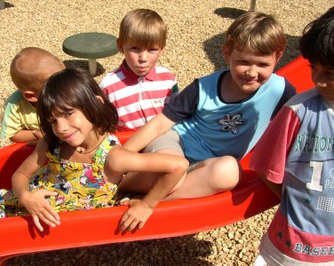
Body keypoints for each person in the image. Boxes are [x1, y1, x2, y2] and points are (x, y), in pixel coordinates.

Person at [0, 67, 188, 233]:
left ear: (95, 105)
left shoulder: (113, 156)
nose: (61, 128)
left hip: (72, 223)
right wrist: (25, 196)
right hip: (31, 205)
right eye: (53, 121)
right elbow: (21, 173)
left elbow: (178, 165)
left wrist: (147, 205)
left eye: (68, 113)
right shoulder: (52, 142)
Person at [118, 11, 297, 200]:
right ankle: (119, 186)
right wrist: (120, 158)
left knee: (229, 172)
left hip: (207, 165)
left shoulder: (279, 90)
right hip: (175, 143)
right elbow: (160, 124)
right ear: (227, 54)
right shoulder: (203, 87)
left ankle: (152, 202)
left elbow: (301, 127)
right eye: (243, 62)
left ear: (278, 57)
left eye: (262, 64)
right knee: (172, 167)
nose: (252, 72)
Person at [250, 7, 334, 265]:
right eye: (314, 68)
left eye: (330, 74)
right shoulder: (298, 111)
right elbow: (266, 169)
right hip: (293, 247)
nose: (318, 81)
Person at [99, 8, 179, 131]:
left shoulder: (168, 80)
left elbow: (176, 115)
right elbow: (103, 125)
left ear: (162, 48)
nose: (143, 58)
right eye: (135, 48)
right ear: (121, 46)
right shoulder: (109, 86)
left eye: (152, 49)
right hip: (126, 144)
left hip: (161, 141)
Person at [0, 47, 65, 145]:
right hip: (36, 144)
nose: (65, 87)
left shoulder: (68, 92)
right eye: (56, 86)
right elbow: (12, 134)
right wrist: (40, 135)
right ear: (31, 96)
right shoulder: (15, 105)